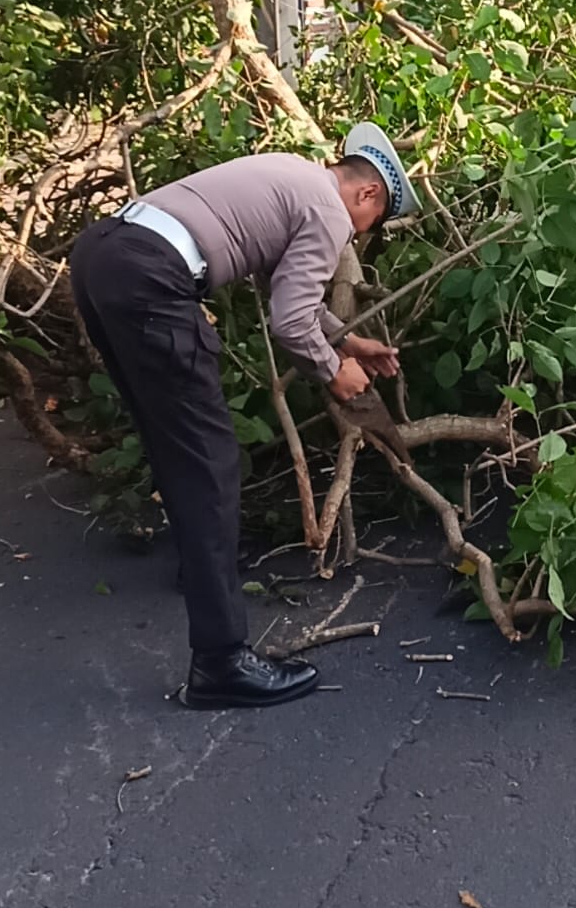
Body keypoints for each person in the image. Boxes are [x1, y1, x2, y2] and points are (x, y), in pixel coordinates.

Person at [70, 122, 421, 710]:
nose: (357, 240)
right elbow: (288, 322)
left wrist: (344, 342)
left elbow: (288, 296)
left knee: (171, 439)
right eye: (372, 227)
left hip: (106, 254)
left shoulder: (295, 175)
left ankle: (197, 570)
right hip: (152, 279)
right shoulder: (331, 213)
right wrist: (334, 373)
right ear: (369, 197)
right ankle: (221, 662)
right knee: (210, 462)